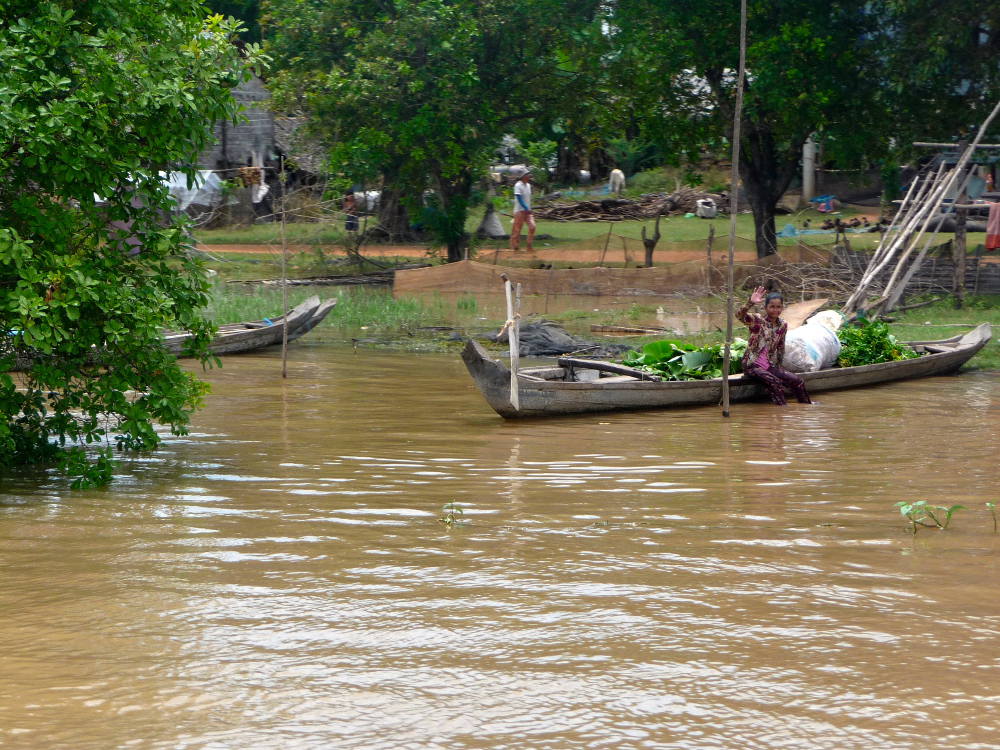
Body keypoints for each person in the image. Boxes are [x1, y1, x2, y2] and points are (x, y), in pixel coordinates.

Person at [736, 286, 812, 406]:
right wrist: (750, 302)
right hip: (752, 365)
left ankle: (807, 406)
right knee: (774, 381)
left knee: (798, 381)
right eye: (772, 306)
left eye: (778, 307)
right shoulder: (757, 321)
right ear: (766, 308)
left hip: (769, 366)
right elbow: (739, 315)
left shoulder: (782, 325)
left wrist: (779, 369)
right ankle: (782, 410)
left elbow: (780, 348)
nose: (775, 310)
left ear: (782, 308)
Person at [510, 169, 535, 252]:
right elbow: (519, 199)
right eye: (527, 174)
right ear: (523, 176)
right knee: (517, 230)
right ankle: (515, 247)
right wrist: (526, 208)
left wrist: (529, 209)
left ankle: (529, 245)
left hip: (528, 211)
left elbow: (528, 199)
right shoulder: (518, 185)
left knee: (532, 227)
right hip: (519, 211)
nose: (529, 176)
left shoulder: (528, 185)